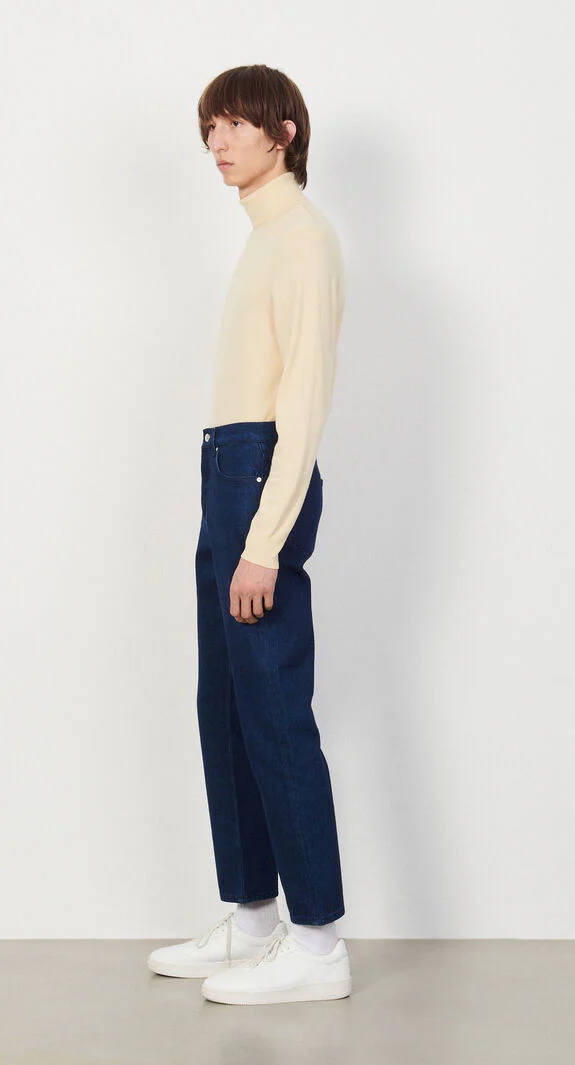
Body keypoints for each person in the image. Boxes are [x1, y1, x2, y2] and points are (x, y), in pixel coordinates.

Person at [147, 64, 350, 1005]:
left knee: (273, 709)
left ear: (285, 130)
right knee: (224, 704)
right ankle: (257, 918)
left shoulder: (303, 239)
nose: (218, 142)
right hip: (226, 466)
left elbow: (302, 402)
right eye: (210, 128)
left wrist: (264, 540)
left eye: (235, 124)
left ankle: (318, 944)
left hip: (260, 476)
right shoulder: (266, 238)